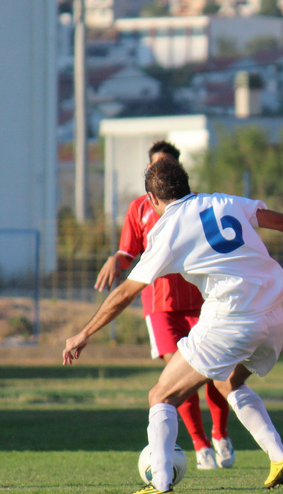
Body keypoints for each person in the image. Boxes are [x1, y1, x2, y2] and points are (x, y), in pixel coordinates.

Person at [63, 158, 283, 494]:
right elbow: (276, 220)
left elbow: (124, 293)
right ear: (186, 185)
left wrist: (84, 333)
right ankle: (278, 457)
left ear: (151, 200)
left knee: (160, 396)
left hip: (232, 318)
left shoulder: (167, 230)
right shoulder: (222, 201)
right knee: (228, 383)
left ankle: (159, 483)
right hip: (272, 314)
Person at [95, 141, 233, 471]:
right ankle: (200, 446)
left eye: (166, 166)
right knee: (177, 376)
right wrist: (117, 258)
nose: (159, 172)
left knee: (215, 374)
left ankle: (220, 434)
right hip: (159, 306)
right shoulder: (139, 208)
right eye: (154, 166)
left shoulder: (195, 205)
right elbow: (129, 251)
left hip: (200, 302)